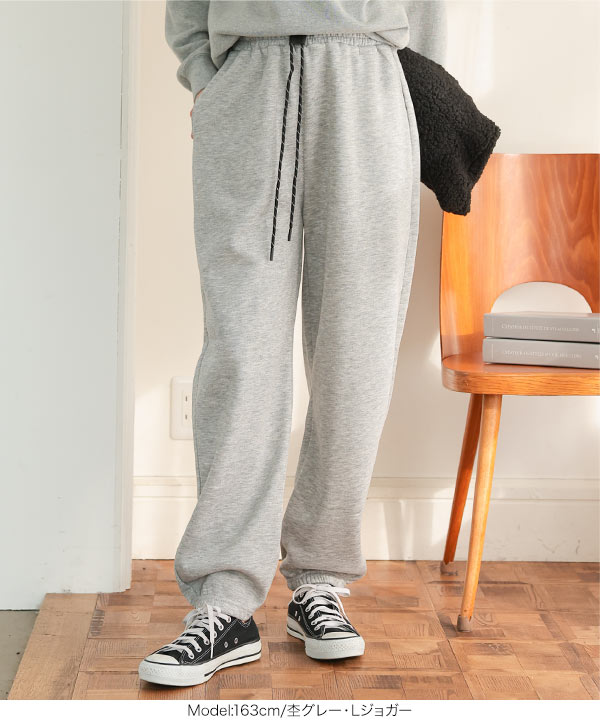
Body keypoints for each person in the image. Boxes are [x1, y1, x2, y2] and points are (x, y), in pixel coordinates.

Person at [139, 0, 446, 688]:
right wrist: (206, 77)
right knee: (240, 355)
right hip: (247, 81)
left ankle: (321, 580)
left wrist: (415, 88)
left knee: (356, 354)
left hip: (371, 83)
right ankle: (225, 599)